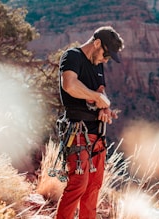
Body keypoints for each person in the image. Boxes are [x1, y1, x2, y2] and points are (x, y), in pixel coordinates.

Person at [55, 26, 124, 219]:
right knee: (78, 184)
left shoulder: (97, 64)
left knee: (93, 187)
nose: (105, 60)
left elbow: (100, 92)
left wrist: (105, 107)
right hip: (77, 132)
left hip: (97, 134)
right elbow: (69, 85)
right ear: (96, 44)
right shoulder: (72, 57)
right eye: (105, 55)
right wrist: (96, 97)